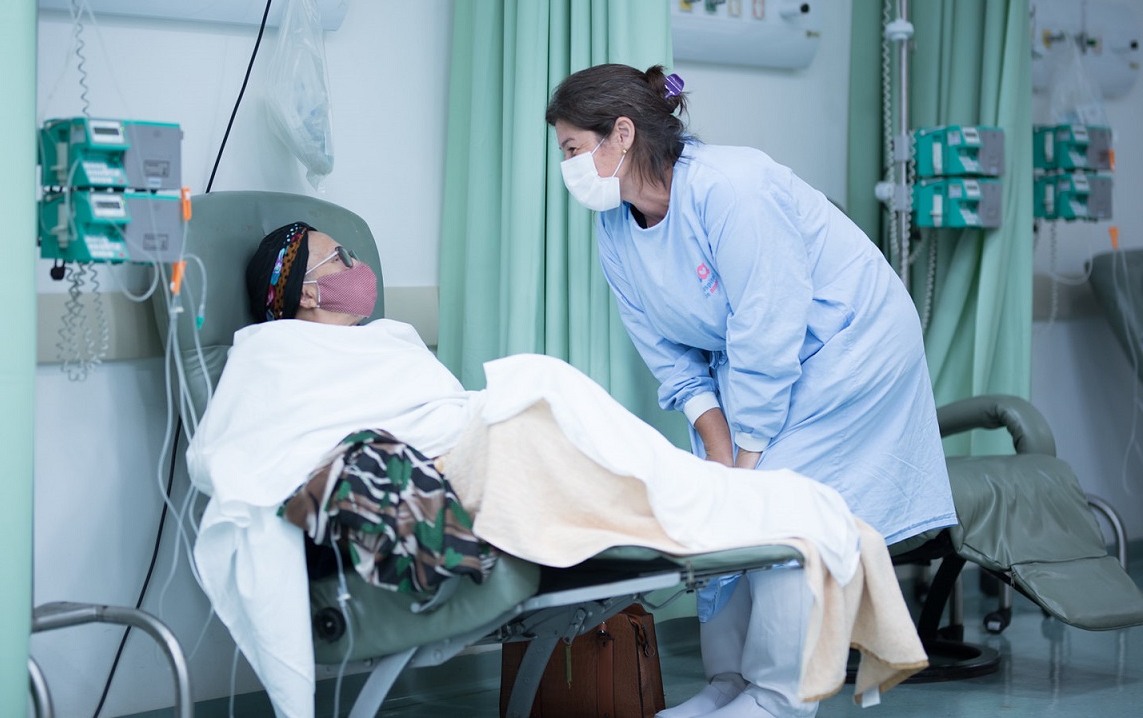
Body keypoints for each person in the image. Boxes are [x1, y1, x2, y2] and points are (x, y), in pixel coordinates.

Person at [188, 220, 923, 718]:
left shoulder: (387, 342)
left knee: (555, 394)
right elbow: (253, 455)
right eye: (340, 260)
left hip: (480, 436)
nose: (359, 269)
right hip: (467, 468)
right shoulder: (270, 355)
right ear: (308, 292)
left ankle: (724, 534)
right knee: (538, 389)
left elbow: (438, 404)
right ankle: (721, 537)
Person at [545, 63, 956, 718]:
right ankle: (727, 684)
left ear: (620, 134)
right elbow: (669, 356)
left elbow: (771, 323)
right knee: (724, 507)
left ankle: (777, 697)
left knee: (783, 509)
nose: (565, 166)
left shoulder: (734, 185)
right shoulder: (616, 230)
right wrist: (720, 453)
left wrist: (750, 456)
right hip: (755, 363)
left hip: (850, 347)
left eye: (571, 149)